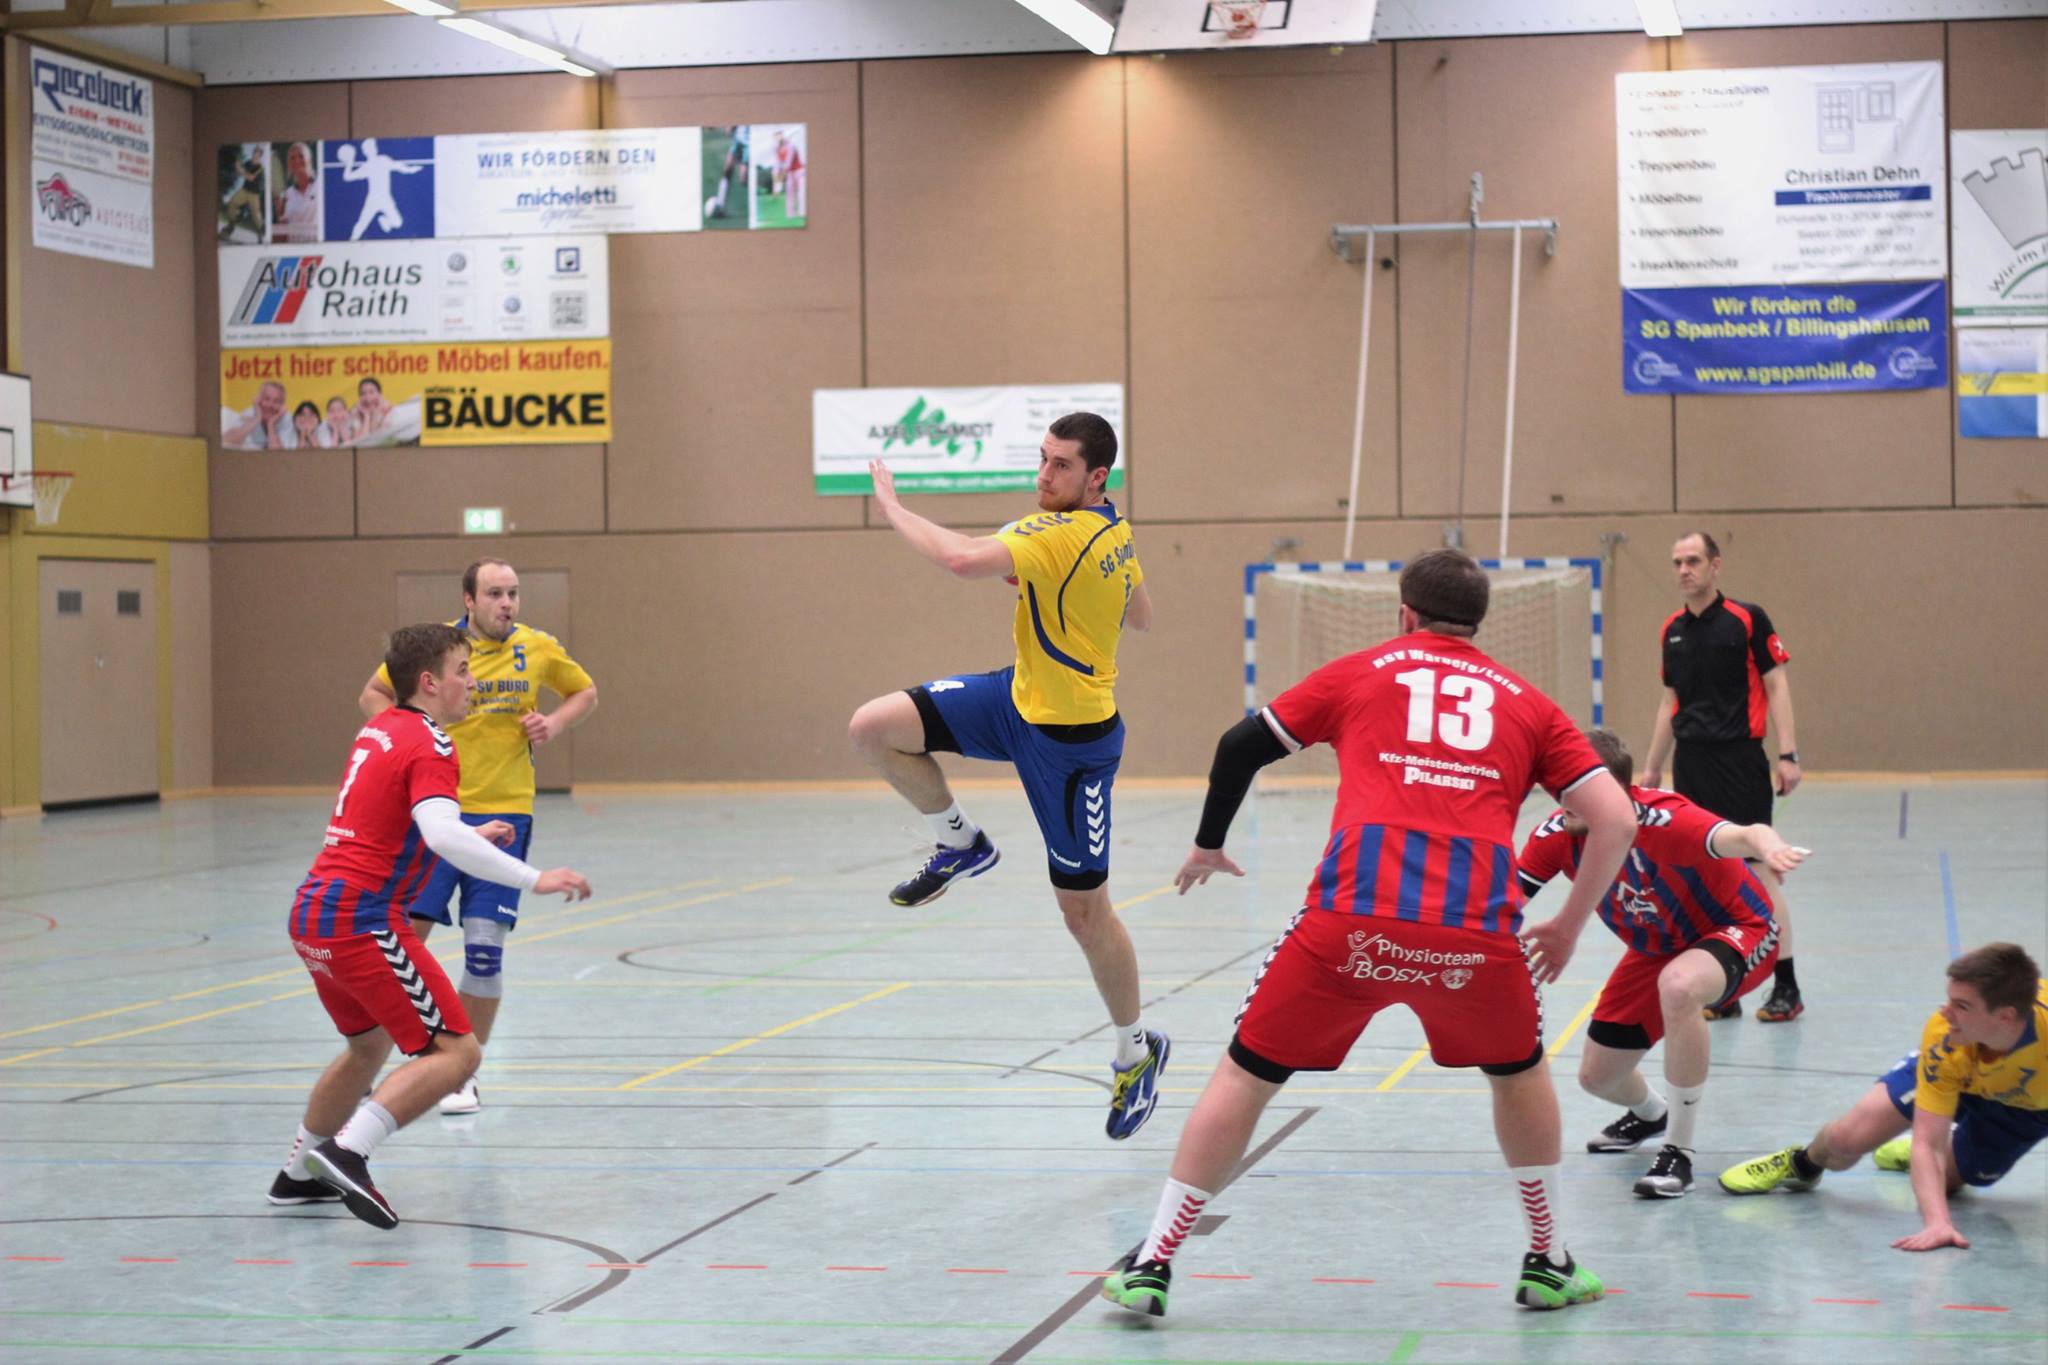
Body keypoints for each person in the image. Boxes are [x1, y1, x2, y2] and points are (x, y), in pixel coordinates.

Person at [1101, 549, 1637, 1320]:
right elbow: (1616, 817)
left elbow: (1238, 745)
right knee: (1519, 1076)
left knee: (1246, 1076)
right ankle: (1548, 1260)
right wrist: (1567, 925)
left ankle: (1154, 1260)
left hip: (1351, 920)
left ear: (1405, 614)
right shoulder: (1530, 705)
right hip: (1473, 931)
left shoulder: (1361, 672)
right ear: (1480, 620)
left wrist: (1210, 841)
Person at [848, 413, 1165, 1141]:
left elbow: (960, 560)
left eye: (1061, 465)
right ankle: (960, 841)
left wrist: (892, 507)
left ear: (1096, 477)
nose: (1043, 475)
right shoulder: (1111, 528)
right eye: (1042, 459)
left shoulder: (1057, 535)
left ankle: (1136, 1050)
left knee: (1085, 915)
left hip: (1074, 747)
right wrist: (1070, 600)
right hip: (1015, 700)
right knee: (873, 728)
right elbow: (1143, 616)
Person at [272, 623, 591, 1229]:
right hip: (362, 919)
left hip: (313, 913)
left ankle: (297, 1175)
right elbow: (440, 835)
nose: (472, 683)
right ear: (430, 682)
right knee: (458, 1053)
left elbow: (401, 822)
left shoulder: (380, 730)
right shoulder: (433, 742)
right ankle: (346, 1152)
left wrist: (469, 833)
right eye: (462, 672)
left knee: (368, 1046)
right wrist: (535, 877)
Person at [1517, 728, 1807, 1199]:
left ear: (1617, 794)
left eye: (1580, 788)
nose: (1565, 797)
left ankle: (1679, 1153)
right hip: (1655, 947)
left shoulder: (1668, 821)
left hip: (1738, 928)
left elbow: (1745, 833)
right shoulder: (1556, 834)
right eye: (1562, 785)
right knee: (1598, 1077)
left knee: (1679, 986)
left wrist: (1768, 844)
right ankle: (1652, 1115)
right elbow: (1503, 901)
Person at [359, 560, 598, 1114]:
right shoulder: (439, 652)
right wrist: (408, 735)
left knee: (485, 951)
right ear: (468, 599)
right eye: (494, 593)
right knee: (402, 945)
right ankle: (376, 1061)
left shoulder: (538, 648)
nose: (506, 603)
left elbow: (585, 692)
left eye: (513, 593)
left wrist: (554, 723)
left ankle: (460, 1075)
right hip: (437, 813)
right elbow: (372, 693)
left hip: (507, 814)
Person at [1720, 943, 2046, 1251]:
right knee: (1845, 1142)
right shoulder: (1945, 1035)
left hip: (2026, 1109)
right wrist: (1937, 1224)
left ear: (2005, 1016)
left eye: (1962, 1006)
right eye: (1949, 999)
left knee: (1948, 1181)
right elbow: (1927, 1143)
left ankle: (1927, 1152)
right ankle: (1802, 1164)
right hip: (1957, 1074)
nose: (1944, 1012)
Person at [1640, 532, 1805, 1023]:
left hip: (1739, 763)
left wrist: (1788, 754)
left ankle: (1787, 986)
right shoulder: (1671, 630)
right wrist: (1653, 767)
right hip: (1690, 765)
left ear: (1715, 565)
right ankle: (1726, 989)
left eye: (1693, 560)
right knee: (1704, 878)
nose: (1683, 570)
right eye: (1677, 562)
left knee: (1757, 873)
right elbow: (1670, 702)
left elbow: (1776, 685)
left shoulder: (1747, 619)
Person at [225, 379, 294, 450]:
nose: (270, 405)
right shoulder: (250, 412)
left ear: (282, 405)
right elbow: (227, 442)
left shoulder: (286, 418)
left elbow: (279, 453)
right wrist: (257, 418)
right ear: (258, 399)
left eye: (276, 401)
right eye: (266, 399)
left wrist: (271, 425)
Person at [273, 141, 320, 243]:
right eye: (292, 158)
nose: (297, 161)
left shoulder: (322, 186)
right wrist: (280, 216)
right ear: (289, 165)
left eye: (301, 156)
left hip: (319, 249)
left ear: (310, 160)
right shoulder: (287, 195)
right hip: (294, 250)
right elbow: (282, 238)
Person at [705, 125, 750, 220]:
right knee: (728, 169)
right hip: (738, 140)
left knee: (743, 180)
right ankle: (721, 205)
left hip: (749, 143)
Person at [773, 130, 805, 219]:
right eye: (776, 137)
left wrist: (780, 179)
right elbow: (777, 163)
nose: (778, 138)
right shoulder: (776, 149)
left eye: (780, 136)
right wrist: (776, 181)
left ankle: (803, 213)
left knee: (802, 192)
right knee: (790, 193)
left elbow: (788, 162)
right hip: (790, 173)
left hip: (799, 171)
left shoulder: (791, 146)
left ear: (783, 136)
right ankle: (791, 214)